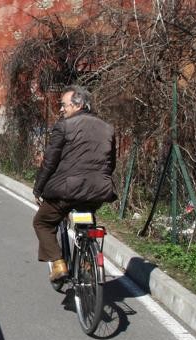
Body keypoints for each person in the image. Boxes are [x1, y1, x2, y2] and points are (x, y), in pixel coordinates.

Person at [32, 85, 117, 282]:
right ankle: (88, 262)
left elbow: (50, 161)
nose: (61, 110)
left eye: (64, 105)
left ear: (77, 105)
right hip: (99, 189)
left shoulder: (64, 126)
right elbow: (110, 163)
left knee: (42, 222)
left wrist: (39, 188)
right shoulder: (107, 128)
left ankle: (59, 263)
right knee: (86, 218)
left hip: (67, 190)